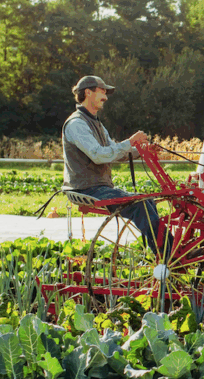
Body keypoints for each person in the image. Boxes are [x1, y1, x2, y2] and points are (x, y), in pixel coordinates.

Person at [62, 75, 164, 252]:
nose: (106, 97)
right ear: (88, 92)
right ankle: (169, 255)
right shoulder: (77, 124)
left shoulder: (97, 125)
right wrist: (130, 142)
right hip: (86, 188)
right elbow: (99, 156)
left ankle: (159, 251)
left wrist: (140, 151)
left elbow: (114, 152)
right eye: (102, 92)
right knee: (139, 206)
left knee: (147, 201)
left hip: (98, 186)